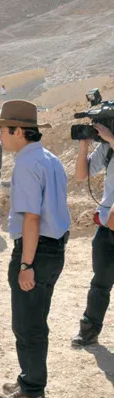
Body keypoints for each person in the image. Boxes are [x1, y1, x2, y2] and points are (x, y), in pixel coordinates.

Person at [0, 100, 70, 398]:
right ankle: (29, 381)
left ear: (19, 131)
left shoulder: (26, 163)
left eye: (4, 130)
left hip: (36, 248)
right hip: (54, 246)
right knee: (36, 321)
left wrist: (26, 264)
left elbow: (32, 218)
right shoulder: (50, 159)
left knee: (28, 324)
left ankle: (32, 391)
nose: (2, 136)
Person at [71, 123, 114, 347]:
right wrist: (84, 146)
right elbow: (81, 175)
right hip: (108, 226)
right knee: (100, 283)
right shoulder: (108, 148)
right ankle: (89, 330)